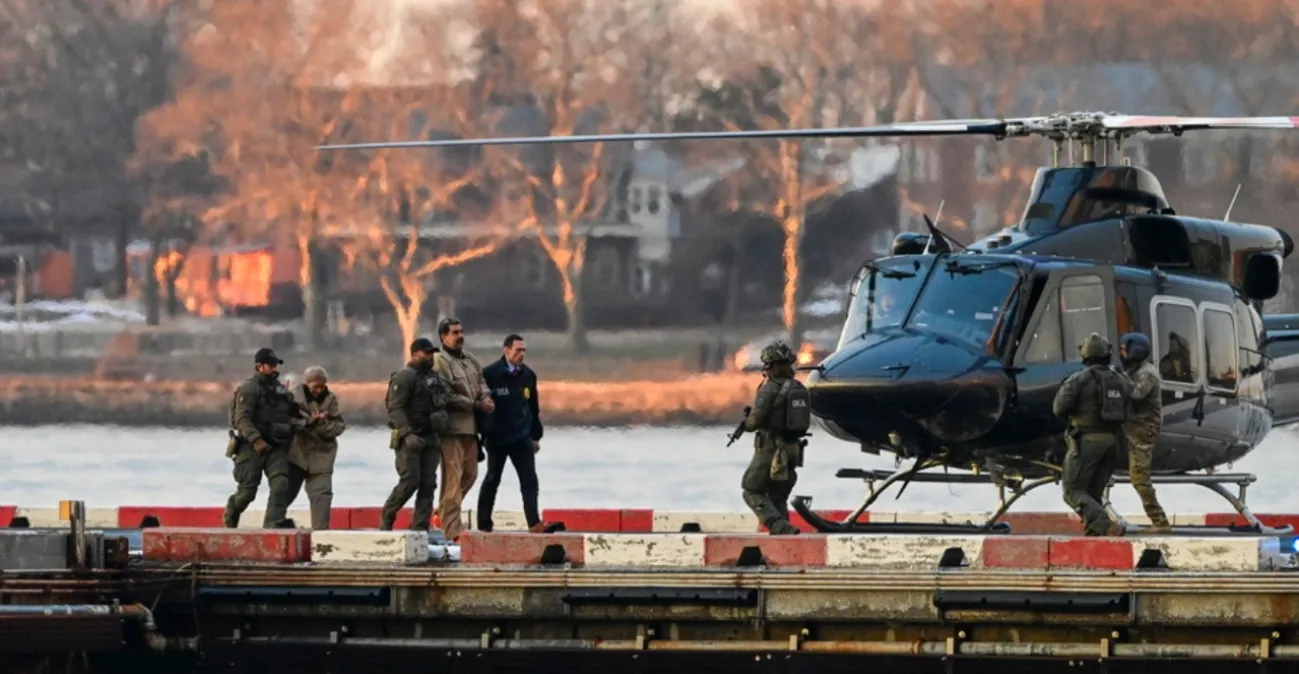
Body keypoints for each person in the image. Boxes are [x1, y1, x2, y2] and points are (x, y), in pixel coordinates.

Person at [1052, 332, 1130, 537]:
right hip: (1113, 441)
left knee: (1072, 491)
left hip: (1086, 441)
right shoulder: (1121, 380)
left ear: (1085, 355)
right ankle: (1095, 530)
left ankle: (1105, 525)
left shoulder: (1078, 379)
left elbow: (1059, 409)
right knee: (1093, 492)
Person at [737, 341, 811, 536]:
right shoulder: (798, 387)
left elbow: (754, 422)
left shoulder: (769, 388)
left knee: (751, 489)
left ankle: (778, 526)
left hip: (772, 449)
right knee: (778, 496)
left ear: (772, 365)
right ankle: (784, 536)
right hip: (793, 449)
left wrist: (747, 423)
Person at [432, 317, 493, 543]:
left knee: (471, 474)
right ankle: (452, 532)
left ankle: (443, 514)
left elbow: (482, 384)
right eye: (455, 333)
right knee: (453, 479)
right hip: (451, 430)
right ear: (443, 337)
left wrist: (485, 397)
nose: (460, 336)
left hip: (471, 429)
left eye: (461, 331)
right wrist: (475, 404)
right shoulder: (440, 361)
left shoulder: (469, 360)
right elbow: (446, 395)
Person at [477, 334, 545, 533]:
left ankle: (533, 522)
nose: (521, 354)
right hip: (497, 437)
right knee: (492, 478)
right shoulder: (490, 374)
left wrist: (535, 436)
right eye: (518, 350)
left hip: (521, 436)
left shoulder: (528, 376)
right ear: (506, 350)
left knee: (529, 479)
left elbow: (534, 408)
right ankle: (484, 523)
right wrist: (481, 434)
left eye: (524, 350)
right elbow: (480, 406)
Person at [380, 338, 450, 531]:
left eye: (431, 354)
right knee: (410, 481)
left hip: (431, 437)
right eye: (426, 353)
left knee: (428, 484)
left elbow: (441, 402)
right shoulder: (404, 377)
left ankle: (420, 527)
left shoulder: (433, 378)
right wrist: (408, 434)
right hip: (410, 438)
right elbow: (395, 408)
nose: (430, 357)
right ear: (415, 354)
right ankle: (388, 516)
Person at [222, 347, 296, 528]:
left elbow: (289, 413)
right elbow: (242, 419)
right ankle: (231, 512)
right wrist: (256, 439)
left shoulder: (279, 389)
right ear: (259, 366)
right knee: (247, 493)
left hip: (276, 445)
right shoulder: (249, 388)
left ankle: (273, 525)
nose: (274, 369)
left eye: (275, 365)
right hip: (251, 446)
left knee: (280, 485)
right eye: (270, 365)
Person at [1119, 332, 1171, 533]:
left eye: (1125, 349)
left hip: (1142, 430)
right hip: (1132, 427)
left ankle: (1160, 522)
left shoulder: (1147, 373)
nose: (1122, 353)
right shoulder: (1135, 370)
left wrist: (1118, 378)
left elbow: (1136, 393)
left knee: (1139, 477)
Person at [285, 366, 346, 529]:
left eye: (322, 386)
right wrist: (306, 423)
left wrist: (321, 424)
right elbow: (286, 423)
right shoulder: (292, 398)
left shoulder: (331, 400)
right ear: (307, 383)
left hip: (321, 457)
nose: (319, 390)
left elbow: (339, 427)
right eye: (315, 387)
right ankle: (273, 525)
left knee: (322, 495)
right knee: (283, 494)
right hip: (296, 455)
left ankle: (321, 533)